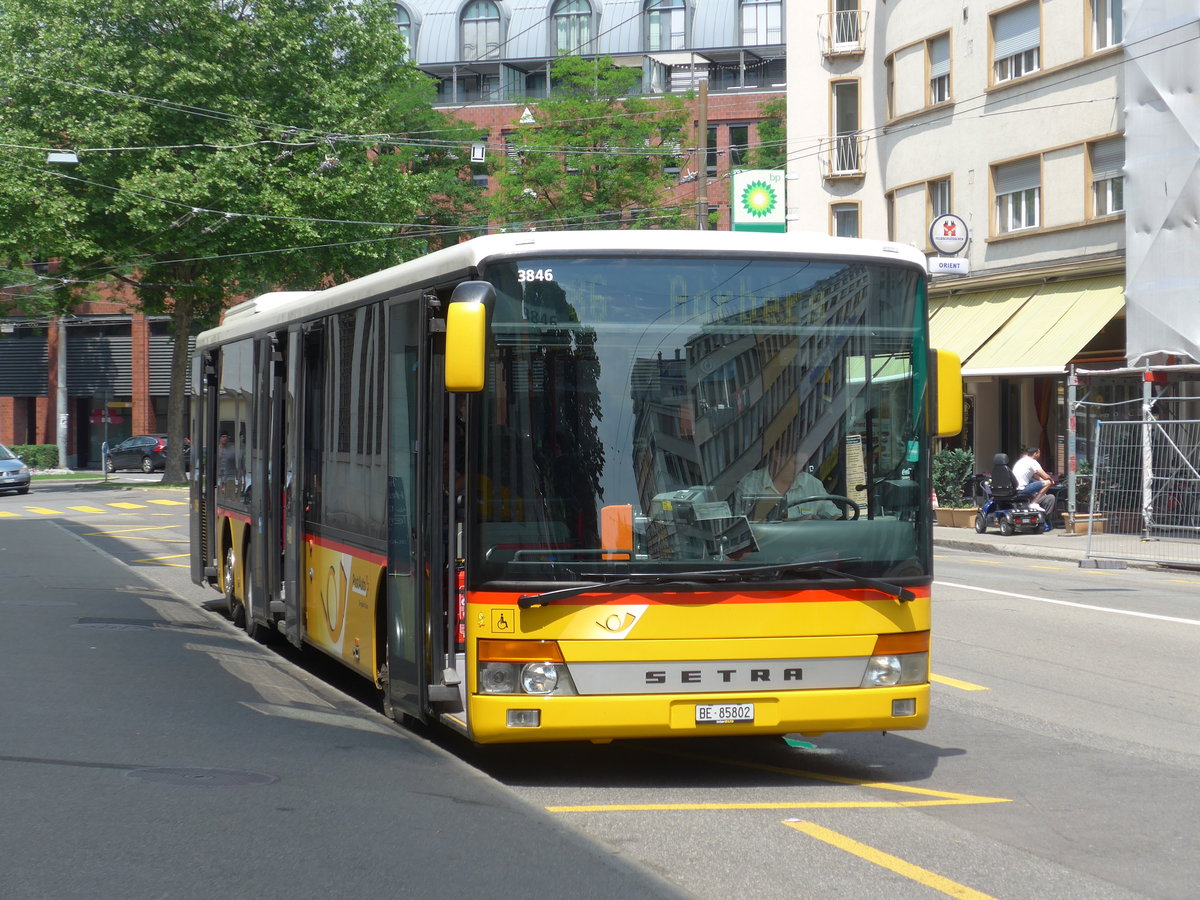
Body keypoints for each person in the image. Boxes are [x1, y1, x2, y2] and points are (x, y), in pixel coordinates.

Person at [734, 443, 839, 520]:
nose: (800, 470)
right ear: (777, 456)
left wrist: (820, 519)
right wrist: (796, 523)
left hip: (808, 548)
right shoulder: (751, 484)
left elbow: (834, 515)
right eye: (795, 463)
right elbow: (745, 530)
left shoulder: (812, 484)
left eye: (803, 465)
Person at [1012, 446, 1057, 524]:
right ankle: (1034, 503)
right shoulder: (1032, 462)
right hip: (1023, 489)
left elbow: (1034, 476)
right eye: (1039, 453)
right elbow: (1044, 475)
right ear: (1035, 454)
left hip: (1016, 489)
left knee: (1046, 484)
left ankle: (1041, 519)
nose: (1040, 455)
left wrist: (1043, 481)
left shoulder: (1022, 461)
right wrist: (1051, 480)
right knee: (1048, 483)